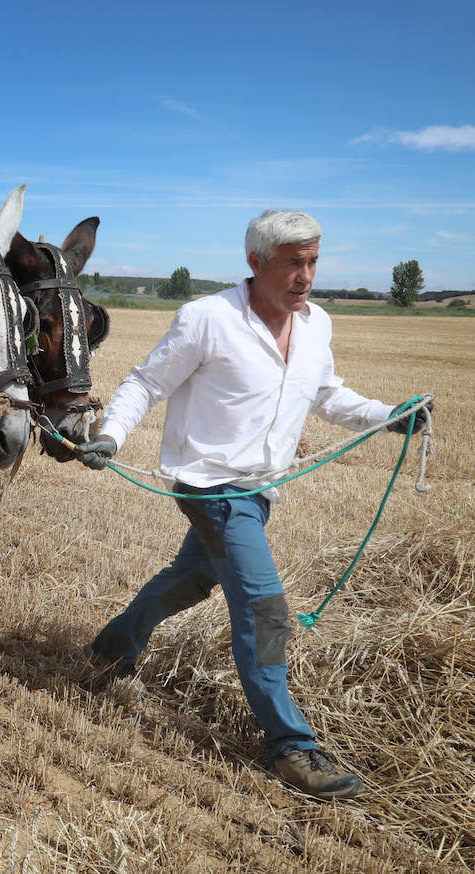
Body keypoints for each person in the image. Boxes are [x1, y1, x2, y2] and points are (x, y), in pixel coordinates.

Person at [76, 209, 434, 800]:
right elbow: (145, 383)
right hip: (210, 487)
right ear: (256, 263)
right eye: (294, 262)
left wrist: (388, 417)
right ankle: (291, 746)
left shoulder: (316, 324)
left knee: (192, 579)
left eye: (314, 261)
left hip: (259, 489)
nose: (306, 275)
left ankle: (109, 649)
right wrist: (111, 434)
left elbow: (325, 394)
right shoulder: (207, 319)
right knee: (265, 608)